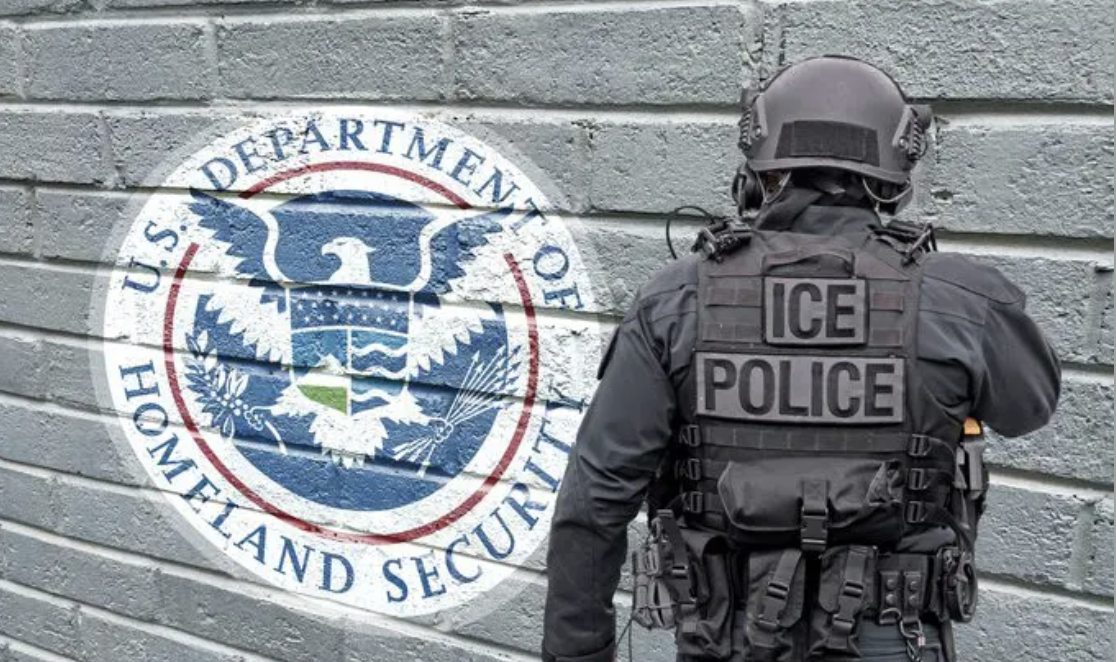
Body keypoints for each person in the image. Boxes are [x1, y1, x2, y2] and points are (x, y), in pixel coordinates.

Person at [541, 55, 1061, 662]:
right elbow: (1030, 408)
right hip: (892, 638)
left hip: (724, 640)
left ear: (758, 173)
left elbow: (593, 502)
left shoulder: (676, 300)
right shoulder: (961, 300)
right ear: (893, 181)